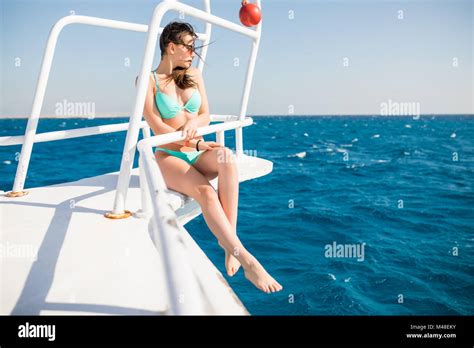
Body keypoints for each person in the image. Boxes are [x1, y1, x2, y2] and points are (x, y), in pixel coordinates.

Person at [138, 21, 282, 294]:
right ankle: (247, 260)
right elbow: (155, 124)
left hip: (195, 149)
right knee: (205, 191)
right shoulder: (148, 80)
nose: (194, 51)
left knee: (226, 157)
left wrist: (197, 132)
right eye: (189, 46)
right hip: (169, 155)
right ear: (171, 47)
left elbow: (204, 113)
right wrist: (198, 142)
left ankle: (230, 243)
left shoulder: (194, 75)